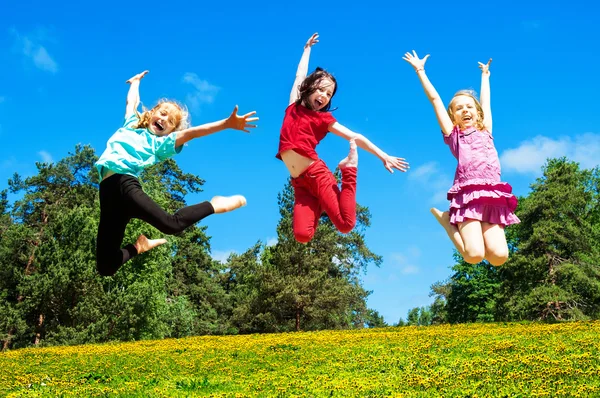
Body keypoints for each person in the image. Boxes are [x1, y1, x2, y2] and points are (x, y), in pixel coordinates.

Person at [95, 70, 258, 276]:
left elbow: (193, 132)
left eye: (170, 121)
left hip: (124, 184)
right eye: (162, 113)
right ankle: (139, 247)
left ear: (170, 131)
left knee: (172, 225)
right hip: (107, 194)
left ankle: (213, 204)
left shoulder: (160, 143)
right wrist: (135, 82)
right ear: (153, 112)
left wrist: (226, 124)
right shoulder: (131, 124)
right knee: (105, 267)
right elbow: (131, 103)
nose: (164, 119)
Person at [277, 33, 409, 243]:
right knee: (302, 236)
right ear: (307, 88)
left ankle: (349, 170)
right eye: (320, 90)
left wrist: (383, 156)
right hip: (300, 184)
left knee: (345, 224)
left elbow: (356, 136)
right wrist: (307, 49)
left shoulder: (323, 120)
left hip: (317, 175)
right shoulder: (292, 105)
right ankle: (320, 202)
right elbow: (299, 75)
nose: (324, 96)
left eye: (329, 94)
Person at [403, 51, 519, 266]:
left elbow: (486, 102)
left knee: (499, 257)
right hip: (468, 195)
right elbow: (435, 100)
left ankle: (473, 235)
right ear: (453, 116)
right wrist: (420, 71)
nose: (465, 110)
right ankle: (448, 221)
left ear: (477, 112)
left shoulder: (486, 130)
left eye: (469, 107)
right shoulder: (455, 136)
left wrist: (485, 76)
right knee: (474, 255)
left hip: (493, 194)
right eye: (459, 108)